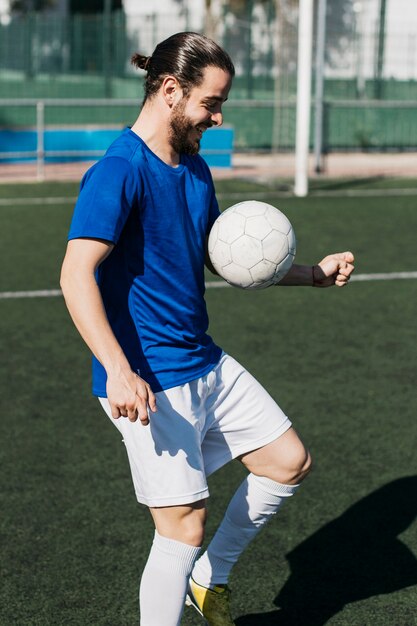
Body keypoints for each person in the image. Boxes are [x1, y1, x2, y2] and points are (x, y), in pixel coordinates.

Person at [60, 31, 354, 626]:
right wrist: (118, 371)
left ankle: (209, 578)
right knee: (182, 524)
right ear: (171, 90)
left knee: (286, 461)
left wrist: (310, 275)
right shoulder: (118, 171)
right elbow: (74, 275)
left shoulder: (193, 166)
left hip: (203, 360)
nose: (217, 118)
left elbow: (223, 256)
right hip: (148, 378)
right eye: (210, 103)